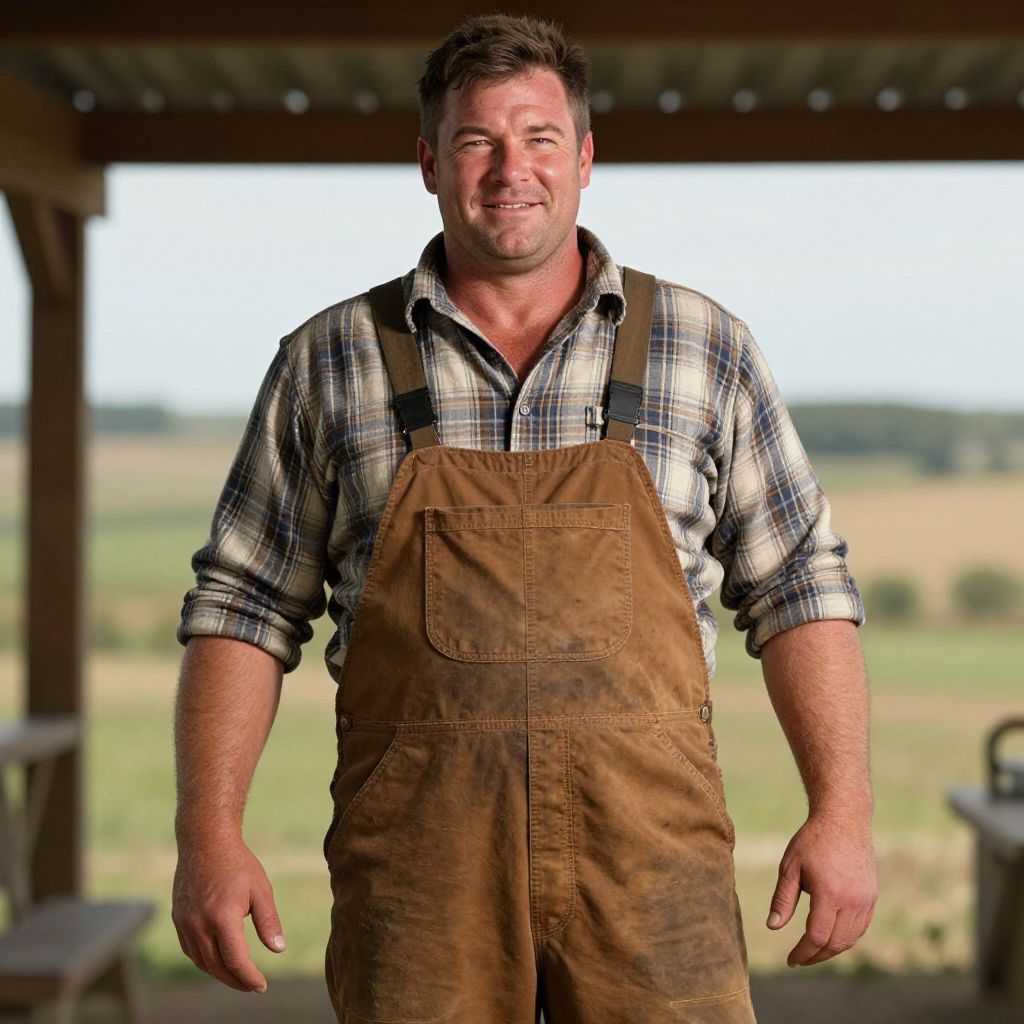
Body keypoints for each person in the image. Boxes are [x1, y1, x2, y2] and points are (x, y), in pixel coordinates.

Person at [172, 13, 877, 1023]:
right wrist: (210, 835)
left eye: (541, 136)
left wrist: (842, 814)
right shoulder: (330, 359)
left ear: (586, 158)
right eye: (477, 140)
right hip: (417, 867)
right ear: (428, 161)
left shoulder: (701, 345)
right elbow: (242, 606)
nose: (513, 167)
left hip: (650, 864)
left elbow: (801, 583)